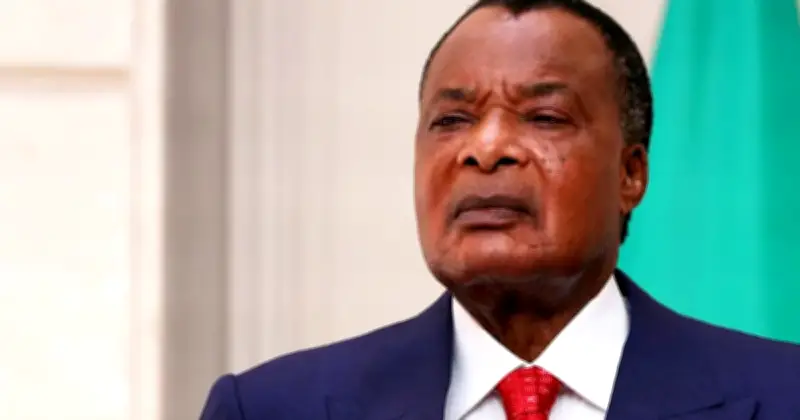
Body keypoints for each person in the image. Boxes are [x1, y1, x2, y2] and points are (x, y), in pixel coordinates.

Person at [200, 0, 800, 419]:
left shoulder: (782, 397)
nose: (485, 149)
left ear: (630, 173)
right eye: (451, 120)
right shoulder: (273, 408)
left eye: (544, 117)